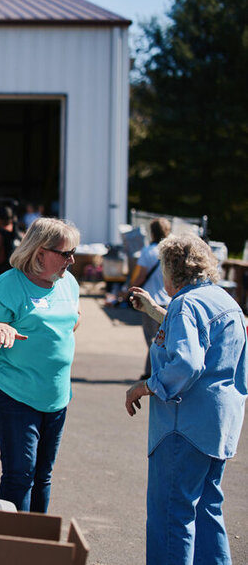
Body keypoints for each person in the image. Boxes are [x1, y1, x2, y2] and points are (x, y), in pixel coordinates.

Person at [125, 234, 246, 565]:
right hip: (219, 424)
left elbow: (188, 362)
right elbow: (201, 338)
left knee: (171, 516)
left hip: (183, 426)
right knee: (207, 512)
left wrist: (147, 386)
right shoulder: (223, 300)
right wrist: (155, 310)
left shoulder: (186, 305)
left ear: (170, 269)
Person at [0, 217, 81, 513]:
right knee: (21, 475)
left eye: (74, 253)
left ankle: (38, 546)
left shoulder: (68, 283)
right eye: (66, 253)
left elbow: (71, 322)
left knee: (43, 476)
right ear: (40, 251)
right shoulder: (5, 286)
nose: (72, 260)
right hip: (13, 392)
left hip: (56, 396)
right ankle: (10, 548)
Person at [124, 217, 171, 378]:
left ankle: (152, 372)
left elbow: (140, 276)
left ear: (152, 232)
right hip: (169, 300)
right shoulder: (170, 251)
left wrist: (129, 289)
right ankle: (155, 371)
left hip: (151, 301)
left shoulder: (148, 251)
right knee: (165, 338)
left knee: (152, 339)